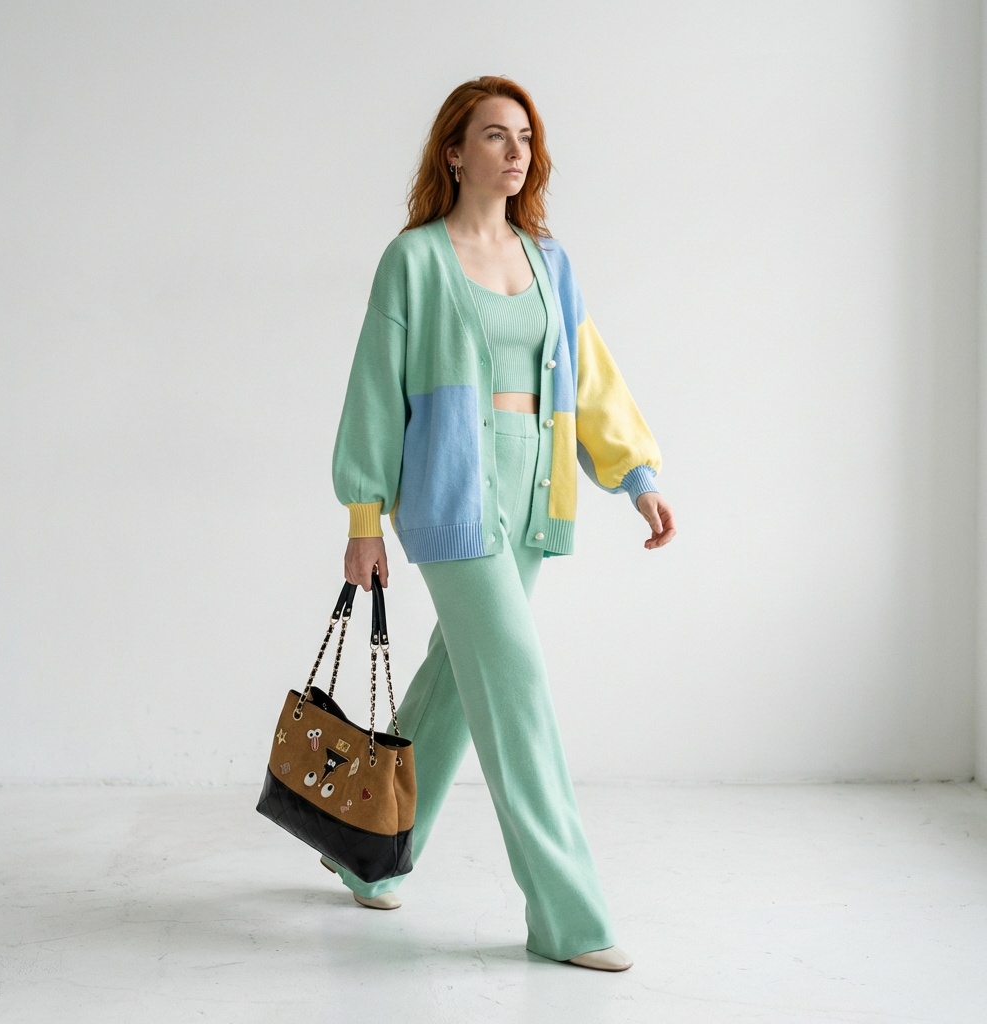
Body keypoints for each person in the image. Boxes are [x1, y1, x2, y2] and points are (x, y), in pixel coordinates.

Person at [323, 75, 677, 972]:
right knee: (515, 687)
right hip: (450, 491)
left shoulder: (549, 261)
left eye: (524, 137)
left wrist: (634, 476)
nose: (515, 151)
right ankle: (568, 916)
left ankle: (364, 849)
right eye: (493, 135)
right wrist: (364, 516)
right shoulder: (414, 260)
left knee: (458, 677)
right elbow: (375, 391)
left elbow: (588, 374)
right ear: (454, 152)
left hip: (533, 492)